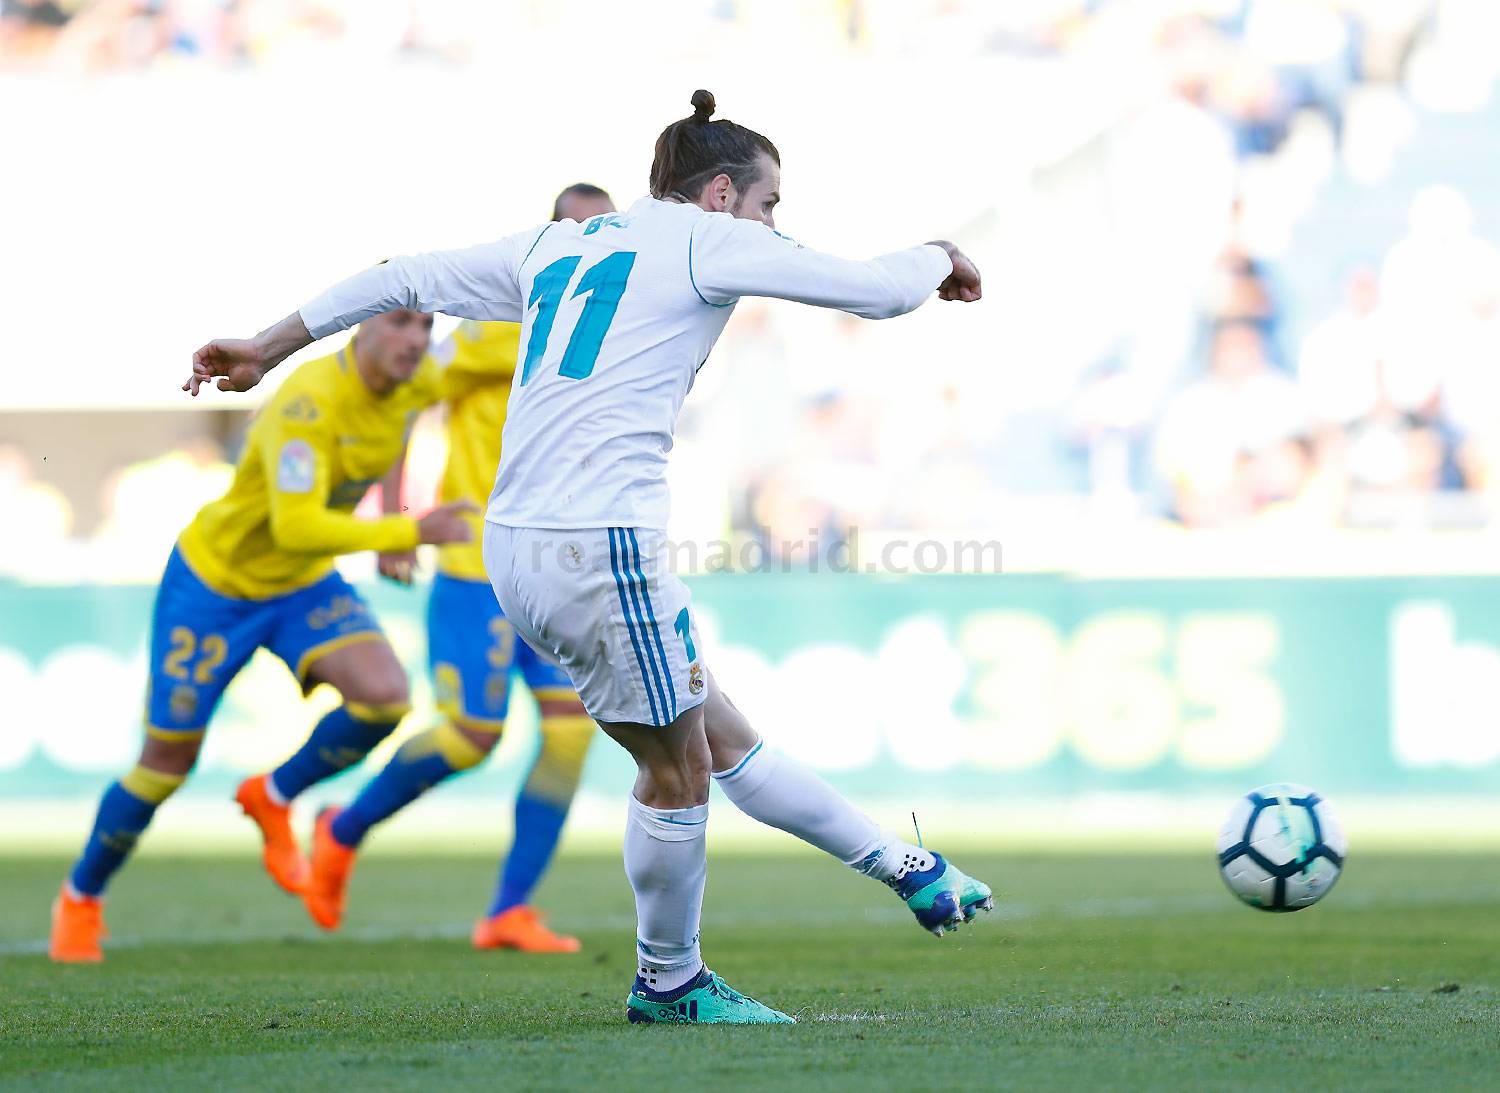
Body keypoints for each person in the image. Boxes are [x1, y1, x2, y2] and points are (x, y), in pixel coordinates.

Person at [186, 90, 988, 1025]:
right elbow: (883, 290)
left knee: (714, 734)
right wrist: (944, 253)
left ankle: (908, 867)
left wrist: (267, 346)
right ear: (721, 193)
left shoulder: (556, 246)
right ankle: (670, 981)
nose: (776, 227)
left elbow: (398, 276)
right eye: (771, 206)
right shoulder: (707, 238)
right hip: (598, 542)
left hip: (516, 546)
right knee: (679, 769)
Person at [49, 308, 474, 963]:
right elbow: (296, 527)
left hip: (300, 584)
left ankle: (272, 794)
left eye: (424, 325)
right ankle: (81, 896)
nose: (415, 340)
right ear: (362, 325)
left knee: (386, 696)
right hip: (217, 584)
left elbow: (413, 416)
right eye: (398, 323)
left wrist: (392, 507)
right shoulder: (308, 403)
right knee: (165, 766)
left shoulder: (413, 382)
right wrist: (407, 531)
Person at [310, 185, 617, 953]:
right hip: (475, 562)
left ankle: (508, 909)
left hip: (555, 565)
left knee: (571, 734)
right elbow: (409, 396)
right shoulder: (498, 327)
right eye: (575, 231)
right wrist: (396, 516)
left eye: (601, 231)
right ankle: (343, 828)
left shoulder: (612, 327)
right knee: (472, 733)